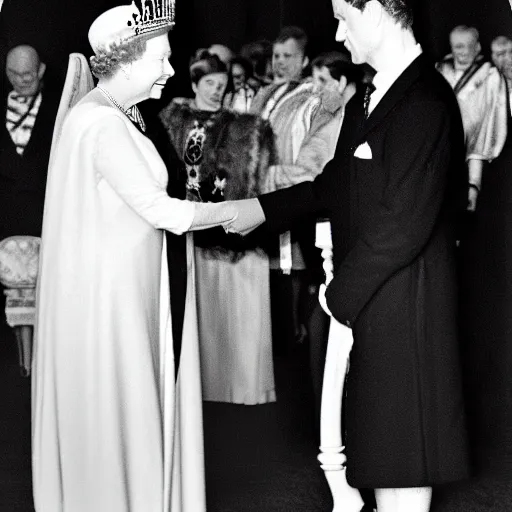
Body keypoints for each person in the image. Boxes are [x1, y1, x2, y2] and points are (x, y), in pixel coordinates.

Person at [226, 0, 470, 510]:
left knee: (403, 468)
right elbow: (333, 185)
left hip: (407, 312)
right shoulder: (373, 95)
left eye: (344, 16)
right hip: (379, 303)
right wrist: (259, 210)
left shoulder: (424, 99)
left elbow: (403, 225)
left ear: (377, 11)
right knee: (381, 456)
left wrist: (338, 298)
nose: (337, 31)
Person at [31, 3, 239, 511]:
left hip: (128, 294)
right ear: (125, 60)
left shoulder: (124, 113)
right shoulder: (101, 122)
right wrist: (245, 210)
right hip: (111, 306)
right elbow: (159, 210)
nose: (172, 69)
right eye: (162, 58)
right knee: (119, 409)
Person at [159, 51, 277, 405]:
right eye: (209, 83)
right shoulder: (170, 120)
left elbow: (255, 175)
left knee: (230, 311)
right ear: (194, 84)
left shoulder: (245, 128)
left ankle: (239, 385)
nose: (215, 90)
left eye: (222, 85)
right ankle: (197, 384)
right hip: (186, 224)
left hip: (223, 227)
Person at [251, 26, 345, 350]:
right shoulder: (263, 94)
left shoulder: (315, 96)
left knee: (293, 267)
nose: (279, 62)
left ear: (304, 60)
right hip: (259, 190)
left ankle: (294, 338)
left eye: (288, 56)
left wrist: (280, 175)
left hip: (291, 189)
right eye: (276, 55)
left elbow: (318, 153)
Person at [437, 25, 508, 212]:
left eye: (466, 46)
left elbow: (496, 109)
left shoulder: (489, 73)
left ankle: (471, 199)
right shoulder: (441, 68)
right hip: (445, 142)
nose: (461, 51)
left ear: (476, 47)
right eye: (457, 46)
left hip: (476, 141)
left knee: (471, 188)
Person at [0, 45, 58, 243]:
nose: (19, 80)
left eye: (27, 74)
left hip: (43, 225)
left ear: (40, 70)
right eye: (12, 73)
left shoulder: (59, 109)